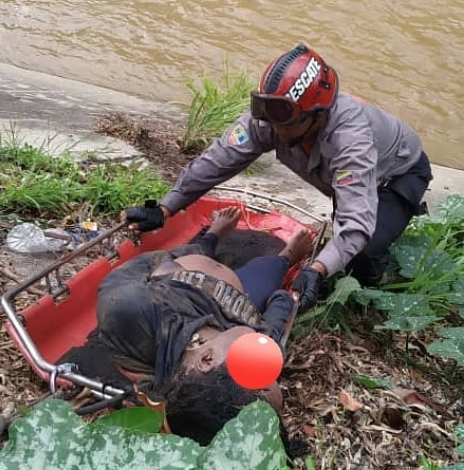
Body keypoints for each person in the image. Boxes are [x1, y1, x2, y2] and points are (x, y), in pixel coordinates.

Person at [123, 43, 433, 313]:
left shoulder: (351, 142)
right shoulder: (273, 119)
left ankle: (369, 284)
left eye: (286, 125)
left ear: (318, 114)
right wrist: (165, 208)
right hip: (346, 176)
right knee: (343, 233)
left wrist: (317, 270)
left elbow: (355, 223)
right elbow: (217, 160)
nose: (276, 133)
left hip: (396, 175)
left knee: (364, 249)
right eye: (269, 121)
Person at [93, 207, 313, 444]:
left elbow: (123, 277)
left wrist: (174, 262)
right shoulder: (253, 346)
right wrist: (289, 298)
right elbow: (276, 316)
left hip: (184, 270)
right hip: (238, 295)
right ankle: (286, 256)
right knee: (270, 271)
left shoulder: (132, 312)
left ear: (207, 359)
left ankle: (213, 234)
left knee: (195, 255)